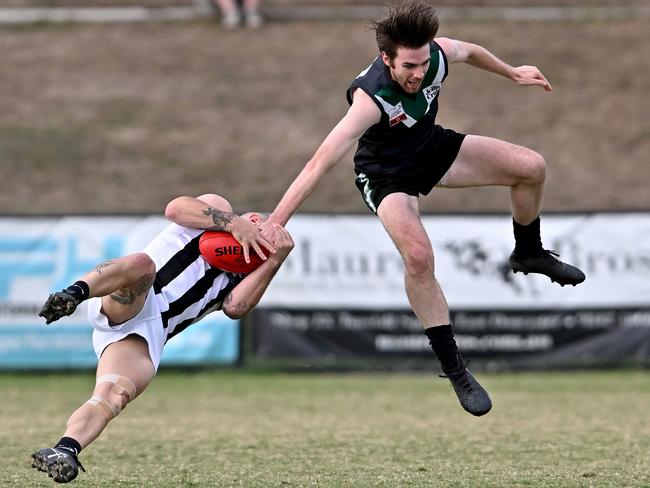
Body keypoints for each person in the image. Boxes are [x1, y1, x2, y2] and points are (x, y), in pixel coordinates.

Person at [261, 0, 585, 417]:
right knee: (418, 257)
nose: (417, 74)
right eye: (408, 67)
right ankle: (456, 370)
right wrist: (275, 222)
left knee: (531, 167)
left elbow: (468, 50)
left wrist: (512, 72)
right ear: (386, 59)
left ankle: (529, 252)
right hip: (386, 175)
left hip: (431, 149)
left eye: (421, 63)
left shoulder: (436, 54)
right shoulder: (369, 99)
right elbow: (319, 162)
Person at [31, 194, 293, 483]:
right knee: (141, 264)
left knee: (113, 396)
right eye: (258, 220)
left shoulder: (241, 276)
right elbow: (175, 208)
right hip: (141, 291)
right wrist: (233, 222)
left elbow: (236, 308)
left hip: (152, 332)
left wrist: (275, 258)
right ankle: (73, 293)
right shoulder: (215, 212)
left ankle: (65, 449)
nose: (260, 227)